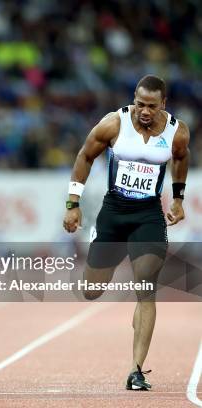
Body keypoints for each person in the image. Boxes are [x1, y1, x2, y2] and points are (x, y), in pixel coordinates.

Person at [63, 75, 189, 390]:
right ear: (134, 98)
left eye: (151, 106)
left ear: (164, 104)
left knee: (146, 288)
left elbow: (181, 158)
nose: (144, 111)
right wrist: (72, 203)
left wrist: (178, 198)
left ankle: (136, 370)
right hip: (113, 214)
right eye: (140, 104)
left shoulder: (177, 131)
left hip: (148, 216)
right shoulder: (113, 124)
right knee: (92, 290)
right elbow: (85, 156)